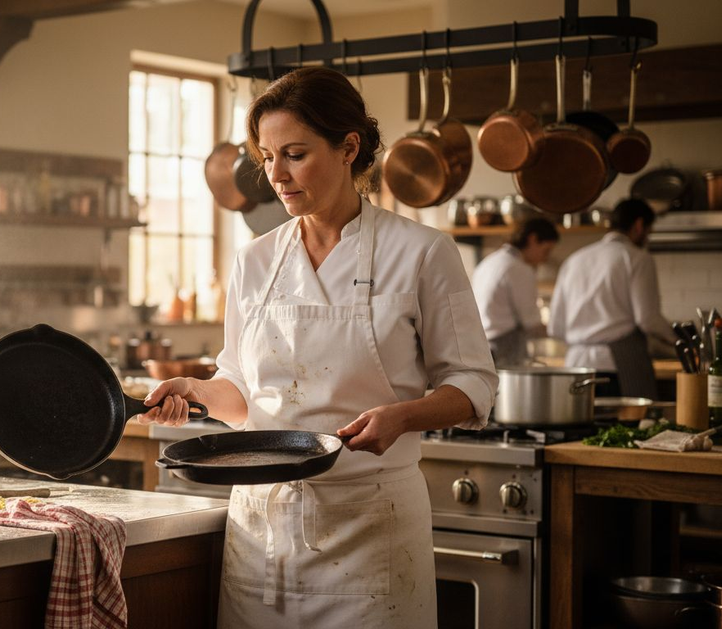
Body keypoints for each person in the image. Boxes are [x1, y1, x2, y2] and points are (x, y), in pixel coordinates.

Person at [138, 67, 498, 628]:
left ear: (349, 147)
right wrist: (194, 390)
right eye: (266, 156)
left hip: (372, 525)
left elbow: (474, 385)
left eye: (295, 154)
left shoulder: (422, 253)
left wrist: (402, 417)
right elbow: (242, 392)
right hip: (262, 528)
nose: (275, 175)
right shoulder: (254, 261)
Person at [548, 198, 676, 398]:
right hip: (617, 365)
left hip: (575, 366)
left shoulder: (574, 259)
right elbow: (648, 319)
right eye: (649, 231)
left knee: (580, 428)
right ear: (639, 225)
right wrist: (678, 341)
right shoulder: (637, 257)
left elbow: (555, 328)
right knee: (626, 427)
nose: (647, 238)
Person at [472, 216, 560, 367]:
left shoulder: (490, 261)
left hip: (479, 345)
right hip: (503, 348)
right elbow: (531, 323)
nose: (545, 258)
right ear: (533, 239)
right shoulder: (518, 268)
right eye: (546, 250)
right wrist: (563, 332)